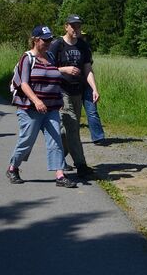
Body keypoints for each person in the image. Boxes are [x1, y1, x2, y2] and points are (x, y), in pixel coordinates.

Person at [6, 26, 77, 188]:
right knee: (27, 140)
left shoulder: (51, 56)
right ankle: (13, 168)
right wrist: (36, 101)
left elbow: (53, 74)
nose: (48, 43)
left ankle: (60, 175)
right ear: (35, 40)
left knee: (56, 140)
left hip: (51, 107)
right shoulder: (27, 58)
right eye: (44, 40)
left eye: (50, 39)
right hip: (29, 108)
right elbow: (23, 83)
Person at [48, 15, 96, 178]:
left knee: (65, 130)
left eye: (78, 26)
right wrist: (64, 69)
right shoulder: (57, 45)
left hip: (78, 91)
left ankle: (58, 158)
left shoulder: (83, 45)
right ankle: (81, 164)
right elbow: (47, 68)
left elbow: (87, 69)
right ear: (66, 27)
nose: (76, 29)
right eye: (73, 26)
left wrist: (94, 89)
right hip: (62, 90)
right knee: (72, 127)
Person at [80, 32, 107, 145]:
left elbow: (88, 68)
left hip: (87, 85)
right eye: (82, 36)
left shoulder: (86, 49)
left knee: (92, 111)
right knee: (72, 115)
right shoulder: (64, 47)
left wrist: (94, 88)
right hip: (71, 86)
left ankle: (98, 137)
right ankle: (69, 138)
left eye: (84, 36)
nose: (83, 38)